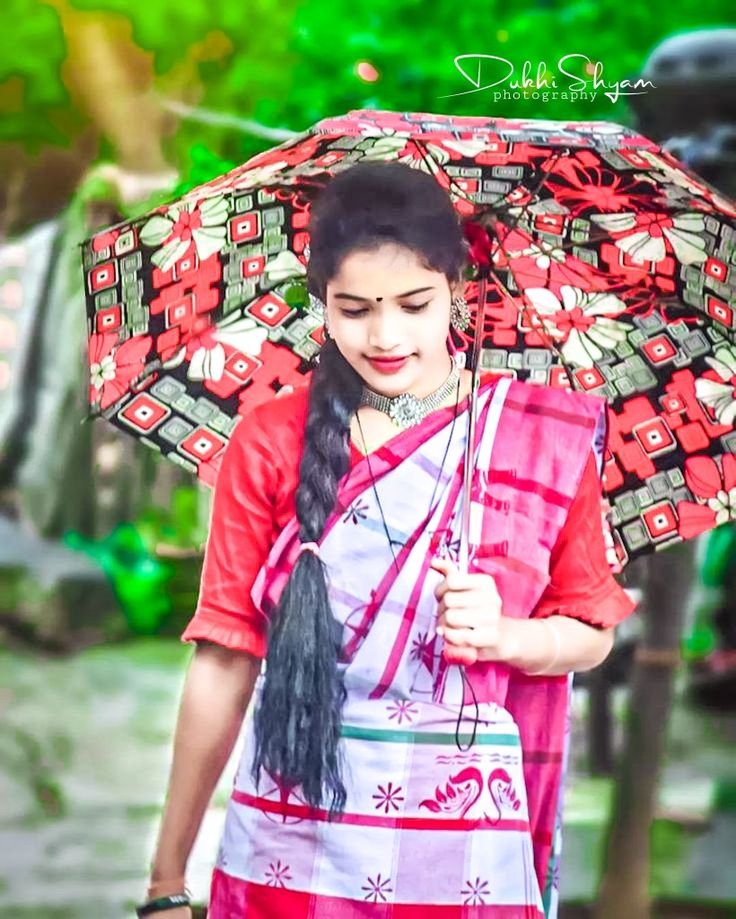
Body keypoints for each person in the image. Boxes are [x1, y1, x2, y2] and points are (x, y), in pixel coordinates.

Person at [137, 162, 636, 918]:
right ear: (322, 307)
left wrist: (505, 634)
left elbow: (591, 633)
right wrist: (166, 879)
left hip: (461, 846)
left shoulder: (539, 437)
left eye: (413, 303)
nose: (386, 335)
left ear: (457, 291)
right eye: (355, 308)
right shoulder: (273, 438)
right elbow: (224, 655)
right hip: (288, 840)